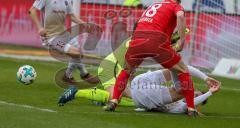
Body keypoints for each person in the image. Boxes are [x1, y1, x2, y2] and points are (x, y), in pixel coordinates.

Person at [105, 0, 218, 116]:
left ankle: (114, 101)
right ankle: (191, 108)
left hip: (137, 39)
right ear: (179, 0)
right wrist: (181, 40)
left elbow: (144, 23)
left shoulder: (154, 5)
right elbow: (180, 17)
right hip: (156, 41)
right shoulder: (176, 6)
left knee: (126, 71)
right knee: (182, 70)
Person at [58, 66, 221, 115]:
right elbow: (187, 99)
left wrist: (207, 92)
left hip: (139, 87)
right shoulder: (178, 97)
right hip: (142, 88)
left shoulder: (179, 105)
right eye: (197, 92)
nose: (195, 93)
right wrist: (209, 91)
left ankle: (78, 92)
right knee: (178, 73)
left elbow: (187, 105)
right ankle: (80, 92)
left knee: (118, 95)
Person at [28, 0, 99, 84]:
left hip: (63, 33)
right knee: (75, 53)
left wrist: (84, 24)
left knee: (78, 51)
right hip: (51, 37)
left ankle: (76, 75)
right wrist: (40, 28)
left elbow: (71, 16)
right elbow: (31, 11)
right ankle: (80, 75)